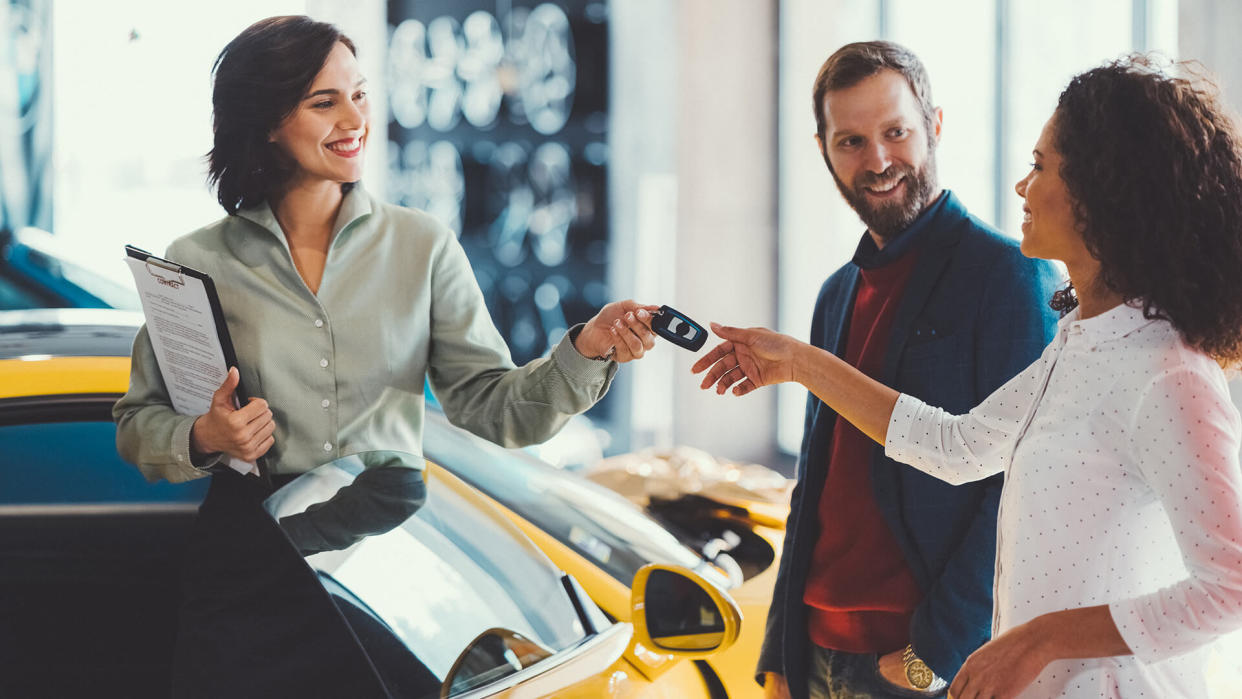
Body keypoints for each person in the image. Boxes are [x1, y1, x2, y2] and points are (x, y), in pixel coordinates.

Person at [112, 15, 656, 695]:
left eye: (360, 94)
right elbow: (137, 426)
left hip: (389, 565)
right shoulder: (199, 261)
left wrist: (584, 349)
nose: (354, 118)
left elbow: (494, 410)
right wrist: (202, 434)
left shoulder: (421, 246)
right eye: (324, 101)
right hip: (248, 566)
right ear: (268, 121)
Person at [695, 55, 1242, 698]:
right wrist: (797, 362)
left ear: (1103, 192)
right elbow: (957, 449)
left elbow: (1231, 586)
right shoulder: (1079, 344)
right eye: (850, 140)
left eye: (1040, 167)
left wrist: (1037, 638)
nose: (1021, 187)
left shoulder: (1168, 374)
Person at [732, 41, 1062, 699]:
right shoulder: (836, 293)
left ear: (934, 125)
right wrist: (778, 652)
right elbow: (813, 485)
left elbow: (1022, 485)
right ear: (824, 149)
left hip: (912, 665)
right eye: (851, 141)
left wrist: (935, 654)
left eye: (895, 132)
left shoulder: (1010, 275)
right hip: (815, 654)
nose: (877, 160)